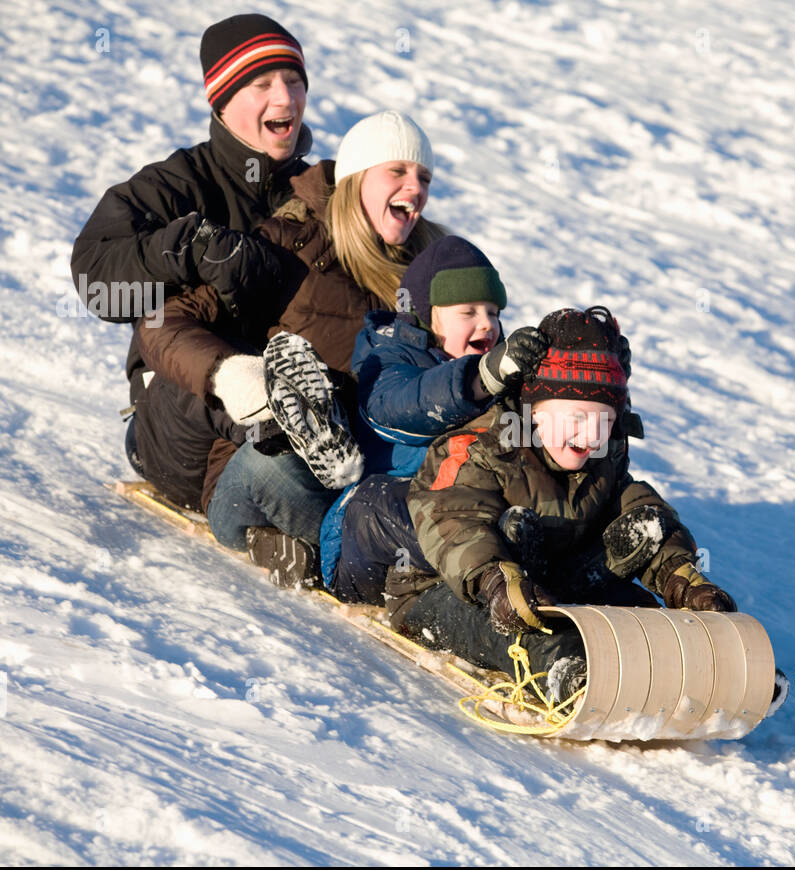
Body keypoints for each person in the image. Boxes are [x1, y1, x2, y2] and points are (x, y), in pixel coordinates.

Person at [134, 110, 445, 586]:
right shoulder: (288, 246)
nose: (416, 187)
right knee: (272, 470)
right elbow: (163, 322)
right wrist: (233, 376)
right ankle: (387, 565)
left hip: (383, 469)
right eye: (398, 171)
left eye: (423, 176)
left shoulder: (430, 269)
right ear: (356, 178)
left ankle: (369, 550)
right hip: (273, 458)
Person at [386, 306, 737, 703]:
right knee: (517, 628)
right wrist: (495, 580)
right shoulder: (484, 447)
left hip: (547, 585)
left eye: (603, 421)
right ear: (535, 409)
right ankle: (567, 670)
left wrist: (678, 573)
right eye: (576, 417)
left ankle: (703, 666)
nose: (589, 435)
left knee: (641, 567)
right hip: (447, 591)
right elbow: (453, 518)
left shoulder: (602, 457)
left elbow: (632, 507)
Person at [71, 13, 314, 510]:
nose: (286, 98)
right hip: (178, 426)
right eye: (262, 83)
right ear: (222, 101)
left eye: (293, 81)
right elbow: (96, 279)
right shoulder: (178, 184)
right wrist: (185, 249)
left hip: (290, 416)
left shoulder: (316, 195)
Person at [320, 235, 548, 602]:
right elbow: (401, 405)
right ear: (427, 315)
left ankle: (508, 565)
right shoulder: (388, 359)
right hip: (363, 544)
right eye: (468, 312)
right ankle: (496, 555)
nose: (488, 324)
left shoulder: (497, 382)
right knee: (381, 502)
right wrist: (478, 380)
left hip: (460, 523)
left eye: (493, 313)